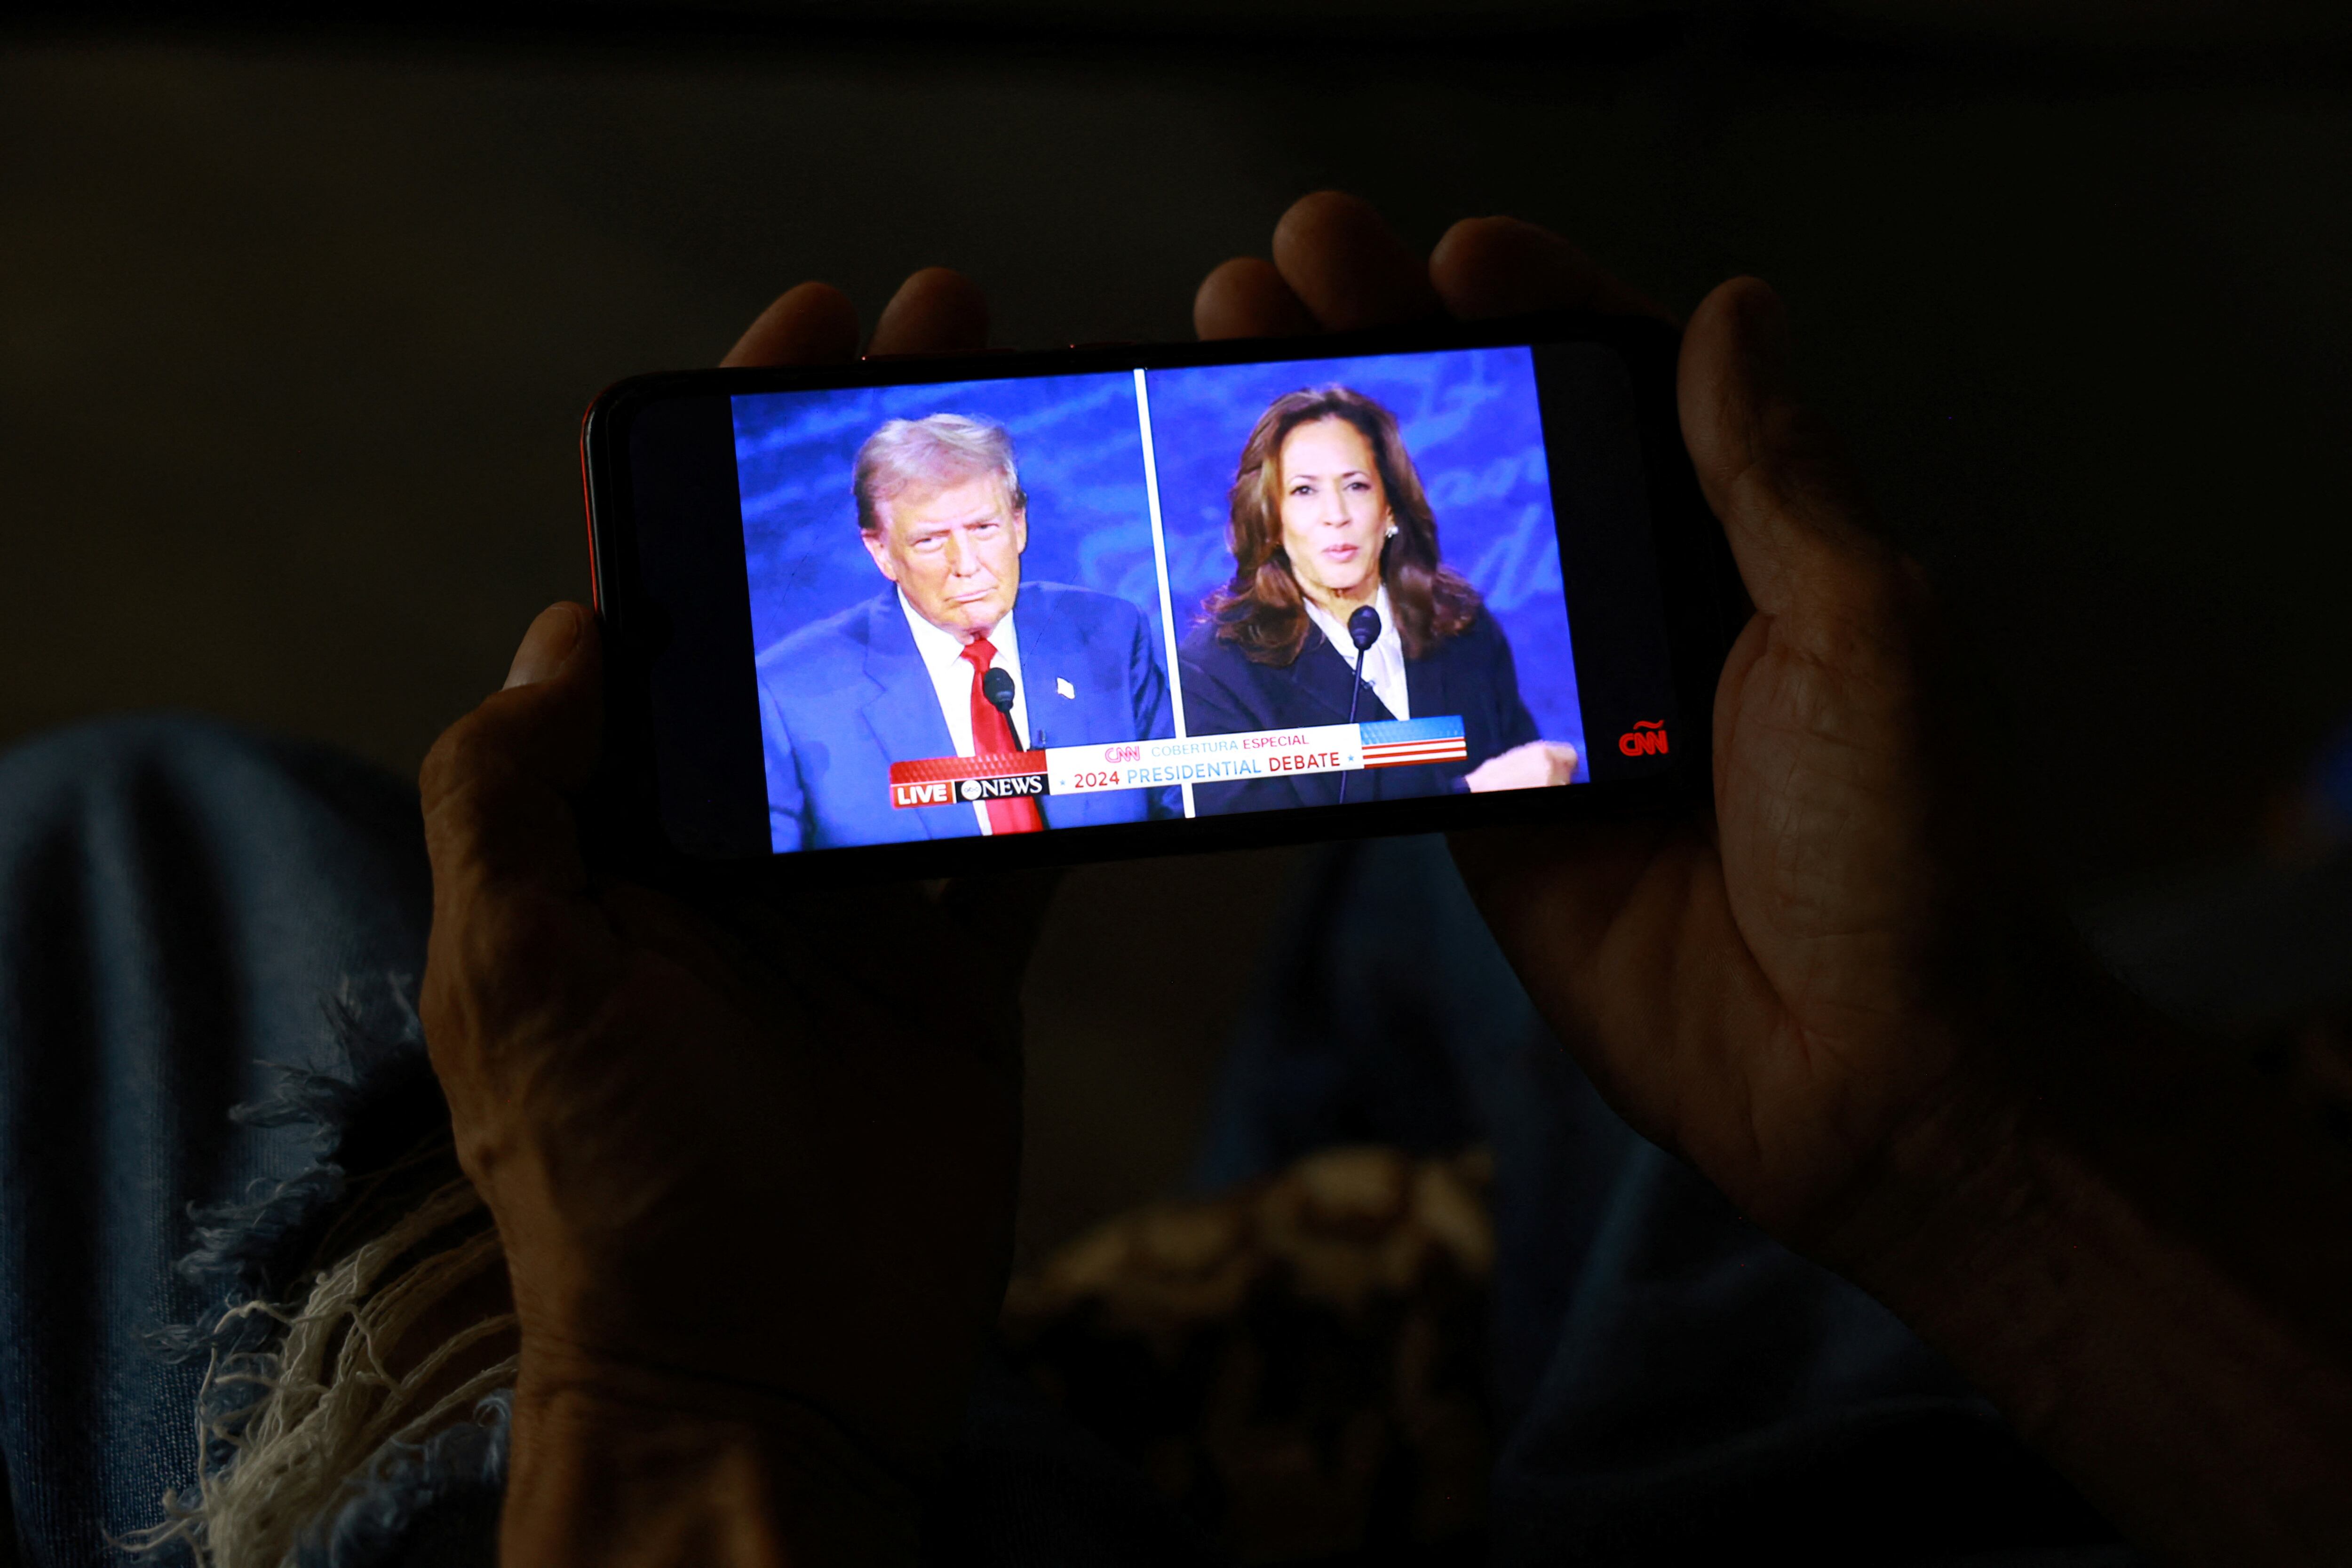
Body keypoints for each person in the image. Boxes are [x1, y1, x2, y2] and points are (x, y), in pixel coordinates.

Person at [1, 206, 2348, 1567]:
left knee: (128, 850)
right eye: (923, 528)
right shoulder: (1081, 675)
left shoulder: (1291, 646)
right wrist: (1970, 1141)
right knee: (1450, 901)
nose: (973, 546)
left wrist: (695, 1395)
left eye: (994, 515)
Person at [756, 412, 1177, 850]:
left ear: (1019, 525)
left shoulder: (1108, 633)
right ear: (881, 551)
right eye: (931, 540)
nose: (968, 564)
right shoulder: (787, 695)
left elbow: (1184, 811)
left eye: (983, 528)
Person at [1177, 385, 1581, 814]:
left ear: (1389, 507)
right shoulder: (1216, 672)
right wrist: (1463, 796)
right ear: (1272, 519)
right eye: (1304, 491)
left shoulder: (1463, 627)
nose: (1336, 514)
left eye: (1356, 485)